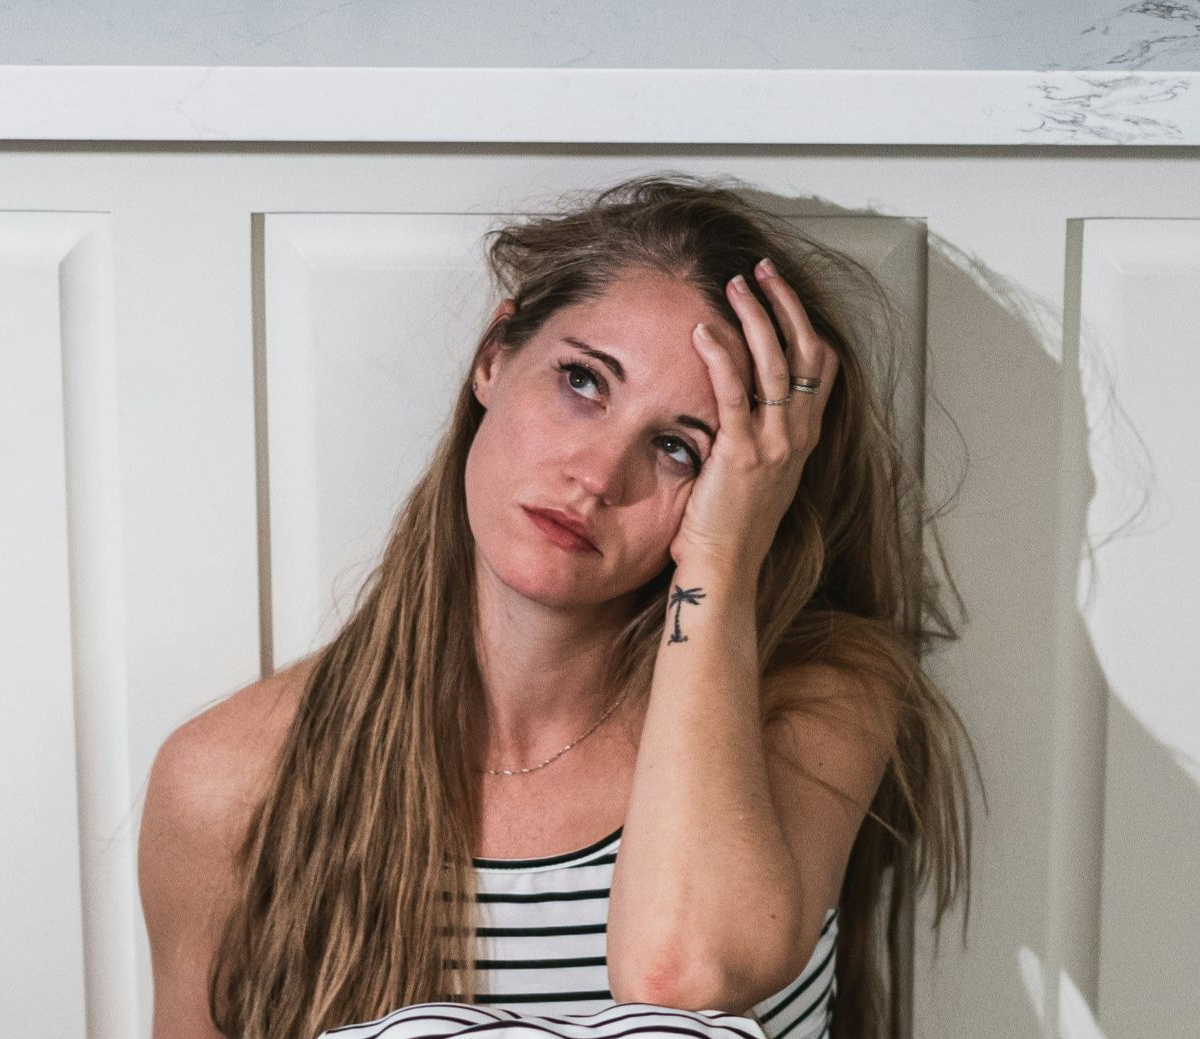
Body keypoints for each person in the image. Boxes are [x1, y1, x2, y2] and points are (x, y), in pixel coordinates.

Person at [138, 173, 979, 1039]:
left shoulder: (810, 702)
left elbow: (681, 976)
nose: (599, 475)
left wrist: (721, 561)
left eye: (678, 448)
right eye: (582, 381)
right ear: (494, 357)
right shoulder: (230, 782)